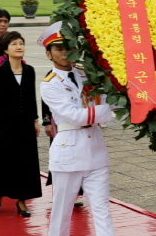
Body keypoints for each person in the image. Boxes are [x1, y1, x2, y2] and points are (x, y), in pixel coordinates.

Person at [39, 21, 115, 236]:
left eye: (68, 47)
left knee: (102, 210)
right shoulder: (49, 84)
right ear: (49, 54)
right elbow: (75, 116)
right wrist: (108, 110)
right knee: (61, 212)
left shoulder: (86, 72)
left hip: (96, 150)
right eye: (58, 49)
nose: (65, 53)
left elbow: (108, 97)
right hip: (68, 152)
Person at [0, 31, 42, 216]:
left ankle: (22, 201)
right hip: (4, 125)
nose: (19, 46)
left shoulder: (29, 71)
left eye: (21, 43)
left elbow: (30, 98)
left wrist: (35, 121)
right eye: (14, 44)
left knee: (25, 163)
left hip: (25, 124)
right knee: (3, 161)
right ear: (5, 49)